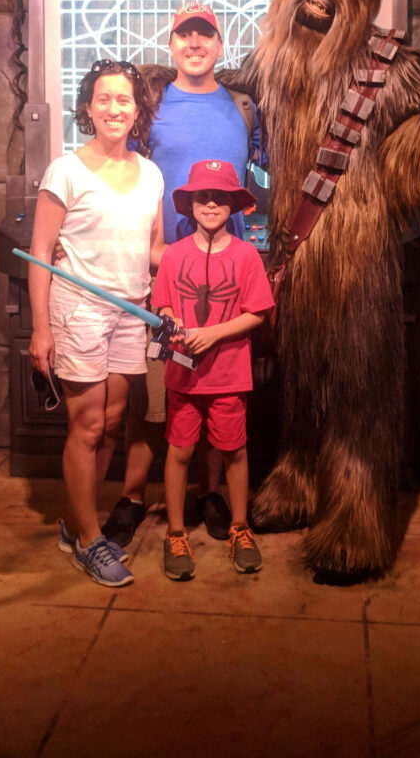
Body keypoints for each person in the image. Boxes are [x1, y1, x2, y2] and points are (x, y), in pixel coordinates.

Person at [101, 2, 262, 549]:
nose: (195, 44)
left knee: (216, 390)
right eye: (184, 36)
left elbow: (257, 185)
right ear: (171, 46)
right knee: (153, 396)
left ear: (219, 46)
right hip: (161, 272)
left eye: (205, 35)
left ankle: (211, 494)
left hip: (226, 279)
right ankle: (132, 495)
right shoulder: (151, 103)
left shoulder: (244, 108)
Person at [28, 59, 165, 588]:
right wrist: (42, 328)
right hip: (79, 310)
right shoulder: (66, 169)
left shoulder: (151, 173)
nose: (114, 108)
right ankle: (88, 540)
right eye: (103, 98)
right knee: (86, 426)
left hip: (131, 313)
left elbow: (152, 250)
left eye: (124, 100)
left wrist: (203, 255)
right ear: (87, 107)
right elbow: (40, 252)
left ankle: (79, 523)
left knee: (110, 424)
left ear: (137, 111)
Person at [150, 159, 274, 580]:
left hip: (228, 375)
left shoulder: (246, 256)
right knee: (179, 450)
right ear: (189, 204)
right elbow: (163, 303)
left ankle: (240, 527)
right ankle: (176, 532)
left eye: (220, 198)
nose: (210, 204)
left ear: (233, 206)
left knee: (234, 450)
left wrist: (215, 333)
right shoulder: (174, 256)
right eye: (203, 196)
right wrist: (174, 321)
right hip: (183, 376)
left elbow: (257, 311)